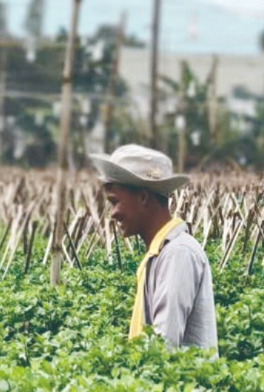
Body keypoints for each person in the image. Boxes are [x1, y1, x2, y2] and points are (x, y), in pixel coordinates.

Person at [90, 143, 215, 351]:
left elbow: (162, 349)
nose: (112, 213)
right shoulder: (160, 253)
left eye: (115, 202)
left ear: (143, 198)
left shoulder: (177, 254)